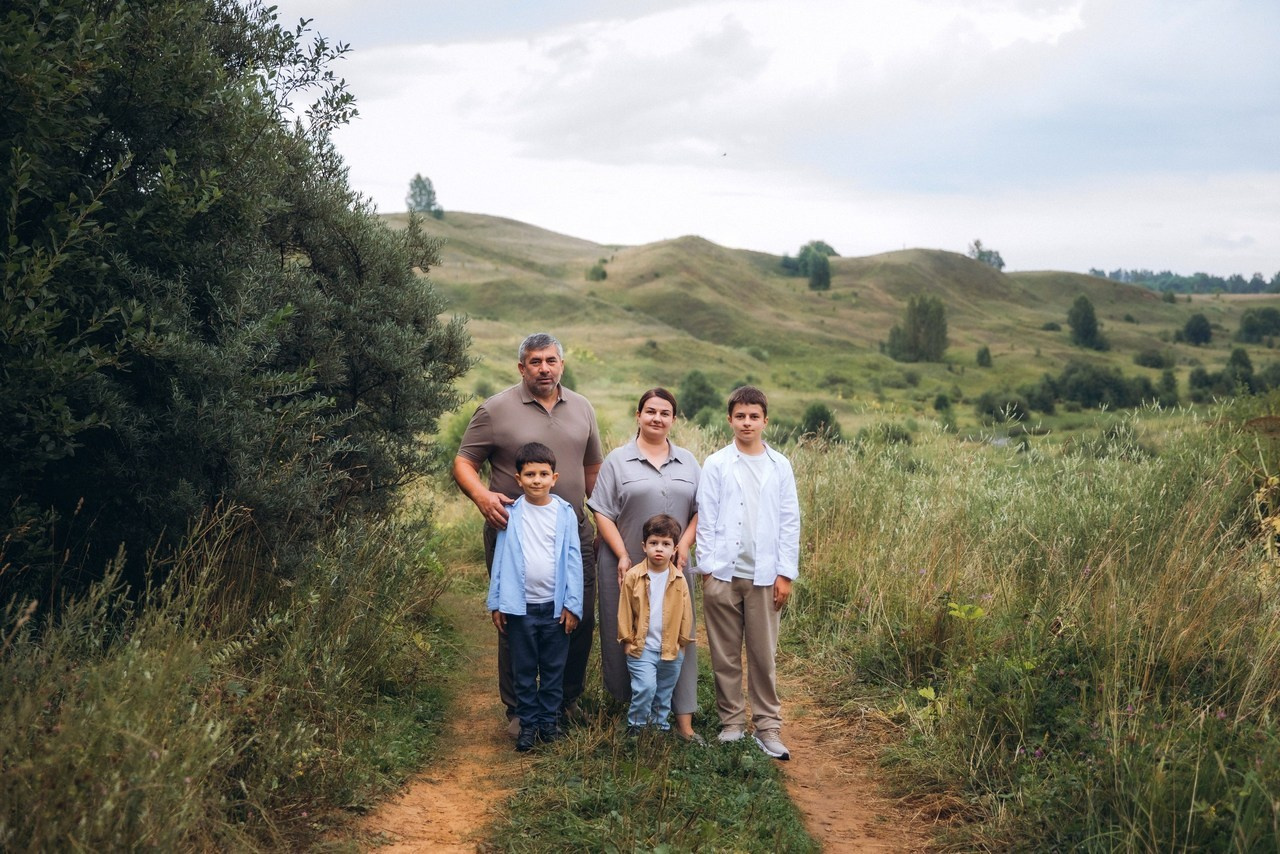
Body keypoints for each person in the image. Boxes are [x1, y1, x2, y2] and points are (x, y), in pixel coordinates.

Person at [453, 333, 603, 735]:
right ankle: (519, 710)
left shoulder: (583, 408)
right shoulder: (496, 409)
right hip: (513, 533)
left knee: (579, 617)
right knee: (514, 618)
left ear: (562, 365)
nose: (544, 368)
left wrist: (603, 520)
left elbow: (593, 471)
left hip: (573, 534)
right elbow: (464, 462)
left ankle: (564, 703)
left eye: (551, 360)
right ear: (522, 367)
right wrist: (482, 497)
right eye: (535, 362)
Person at [588, 388, 703, 743]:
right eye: (650, 411)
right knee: (628, 635)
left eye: (664, 412)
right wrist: (623, 554)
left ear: (673, 419)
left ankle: (682, 723)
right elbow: (602, 512)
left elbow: (701, 510)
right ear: (637, 416)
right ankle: (633, 716)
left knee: (677, 636)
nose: (657, 418)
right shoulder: (618, 461)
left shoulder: (688, 462)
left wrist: (683, 545)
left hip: (674, 568)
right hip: (624, 564)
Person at [695, 386, 800, 760]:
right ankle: (732, 724)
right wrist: (706, 569)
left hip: (765, 576)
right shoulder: (716, 463)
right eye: (740, 416)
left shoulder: (780, 465)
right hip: (723, 574)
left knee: (762, 655)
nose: (747, 422)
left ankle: (768, 727)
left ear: (765, 421)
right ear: (729, 420)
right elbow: (705, 518)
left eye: (754, 416)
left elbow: (790, 522)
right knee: (724, 654)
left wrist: (785, 574)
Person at [486, 442, 584, 752]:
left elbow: (573, 560)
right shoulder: (511, 513)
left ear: (554, 478)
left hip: (554, 609)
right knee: (525, 669)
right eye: (530, 474)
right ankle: (526, 724)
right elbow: (500, 559)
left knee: (554, 668)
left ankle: (548, 722)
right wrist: (498, 602)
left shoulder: (564, 513)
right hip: (520, 608)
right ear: (518, 479)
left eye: (543, 474)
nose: (537, 480)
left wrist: (572, 604)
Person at [617, 514, 694, 734]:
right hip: (641, 648)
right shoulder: (634, 576)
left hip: (671, 648)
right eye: (653, 543)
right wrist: (627, 639)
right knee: (646, 687)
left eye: (665, 544)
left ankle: (659, 726)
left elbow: (686, 613)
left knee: (664, 690)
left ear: (675, 548)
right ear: (644, 546)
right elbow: (624, 610)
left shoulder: (679, 580)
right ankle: (637, 726)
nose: (659, 549)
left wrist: (682, 643)